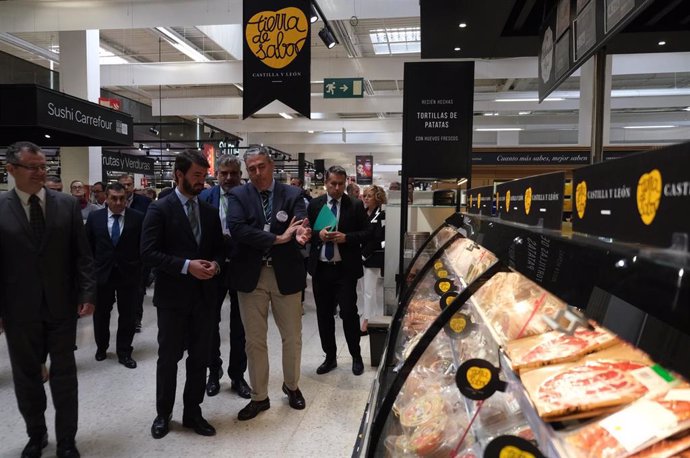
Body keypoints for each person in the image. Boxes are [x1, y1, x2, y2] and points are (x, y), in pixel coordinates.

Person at [0, 141, 96, 458]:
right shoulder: (1, 208)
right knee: (27, 378)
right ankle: (36, 435)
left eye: (44, 167)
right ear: (11, 169)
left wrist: (87, 293)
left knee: (65, 378)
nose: (40, 173)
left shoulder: (66, 205)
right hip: (19, 311)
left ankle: (67, 440)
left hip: (61, 306)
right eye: (33, 167)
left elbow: (82, 256)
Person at [140, 150, 225, 439]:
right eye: (196, 176)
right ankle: (163, 413)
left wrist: (215, 264)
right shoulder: (159, 209)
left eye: (204, 176)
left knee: (199, 358)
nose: (202, 181)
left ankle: (193, 412)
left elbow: (219, 251)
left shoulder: (210, 213)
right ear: (179, 174)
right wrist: (187, 266)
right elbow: (148, 253)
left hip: (204, 300)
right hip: (172, 300)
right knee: (168, 359)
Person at [227, 146, 311, 421]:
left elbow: (298, 225)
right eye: (251, 169)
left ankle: (292, 385)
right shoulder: (238, 195)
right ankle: (259, 397)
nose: (257, 173)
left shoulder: (293, 194)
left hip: (285, 274)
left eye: (261, 166)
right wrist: (277, 238)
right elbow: (238, 229)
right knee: (254, 340)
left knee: (292, 336)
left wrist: (298, 234)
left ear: (272, 165)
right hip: (251, 277)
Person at [307, 165, 371, 377]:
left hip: (345, 270)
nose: (336, 188)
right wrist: (319, 235)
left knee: (348, 313)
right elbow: (308, 233)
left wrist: (347, 238)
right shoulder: (316, 205)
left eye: (340, 184)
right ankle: (330, 357)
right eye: (332, 183)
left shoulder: (354, 205)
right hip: (322, 269)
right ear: (326, 182)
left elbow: (367, 233)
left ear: (346, 184)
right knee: (324, 315)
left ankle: (356, 356)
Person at [198, 155, 251, 399]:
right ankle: (213, 370)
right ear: (216, 174)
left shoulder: (250, 198)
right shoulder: (204, 198)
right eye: (224, 173)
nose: (229, 178)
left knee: (240, 325)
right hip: (213, 267)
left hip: (241, 265)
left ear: (240, 174)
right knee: (209, 321)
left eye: (233, 173)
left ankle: (237, 375)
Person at [85, 182, 144, 370]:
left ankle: (124, 351)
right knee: (101, 314)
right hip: (102, 274)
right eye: (114, 198)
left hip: (129, 274)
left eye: (122, 198)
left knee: (128, 315)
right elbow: (88, 247)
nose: (118, 202)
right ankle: (102, 347)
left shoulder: (138, 218)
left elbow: (144, 247)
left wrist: (142, 272)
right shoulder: (95, 218)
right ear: (106, 198)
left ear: (126, 199)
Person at [118, 173, 152, 332]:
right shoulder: (112, 202)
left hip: (139, 253)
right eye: (123, 185)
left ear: (133, 186)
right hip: (117, 253)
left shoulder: (145, 202)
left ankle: (136, 319)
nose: (126, 188)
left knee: (138, 290)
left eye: (129, 184)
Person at [360, 185, 387, 333]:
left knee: (370, 290)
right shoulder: (363, 213)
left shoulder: (382, 214)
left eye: (368, 196)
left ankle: (367, 321)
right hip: (360, 255)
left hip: (373, 256)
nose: (365, 198)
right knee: (365, 289)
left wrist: (364, 253)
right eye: (364, 196)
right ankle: (371, 316)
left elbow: (379, 237)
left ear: (377, 198)